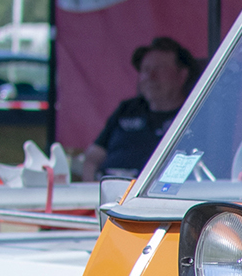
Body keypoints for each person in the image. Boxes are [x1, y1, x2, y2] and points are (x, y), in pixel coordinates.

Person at [82, 37, 199, 179]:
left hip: (151, 197)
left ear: (182, 75)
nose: (150, 76)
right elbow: (92, 159)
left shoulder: (195, 115)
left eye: (159, 69)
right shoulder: (127, 109)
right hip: (106, 190)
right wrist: (94, 192)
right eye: (145, 69)